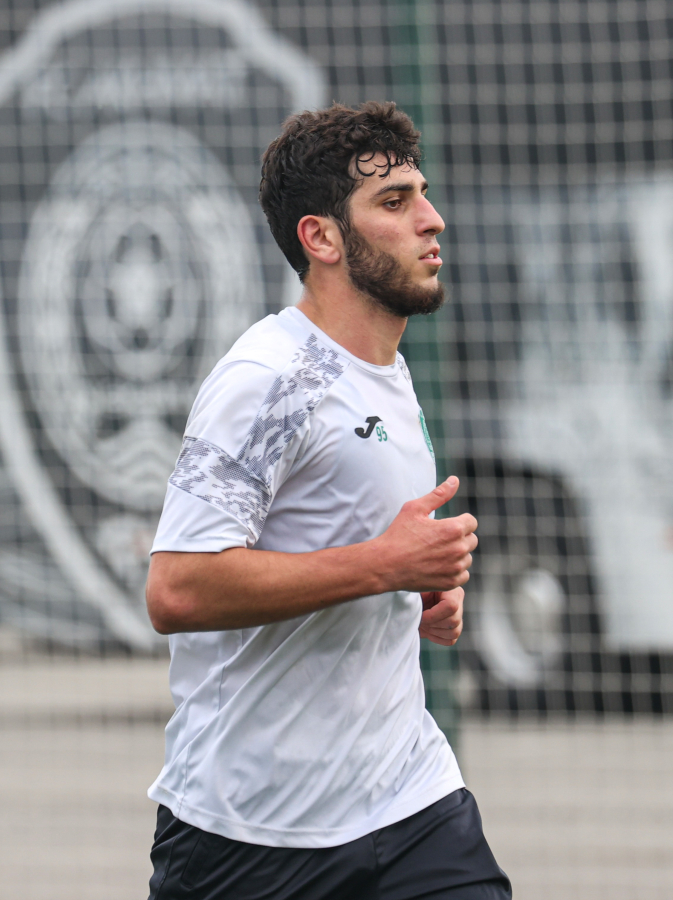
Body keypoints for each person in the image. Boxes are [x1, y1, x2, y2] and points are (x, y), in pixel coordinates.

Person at [142, 101, 511, 899]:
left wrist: (420, 590)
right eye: (395, 202)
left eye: (422, 195)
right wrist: (384, 566)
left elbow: (351, 542)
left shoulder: (388, 369)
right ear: (322, 238)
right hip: (251, 833)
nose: (431, 220)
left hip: (410, 801)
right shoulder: (270, 379)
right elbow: (177, 588)